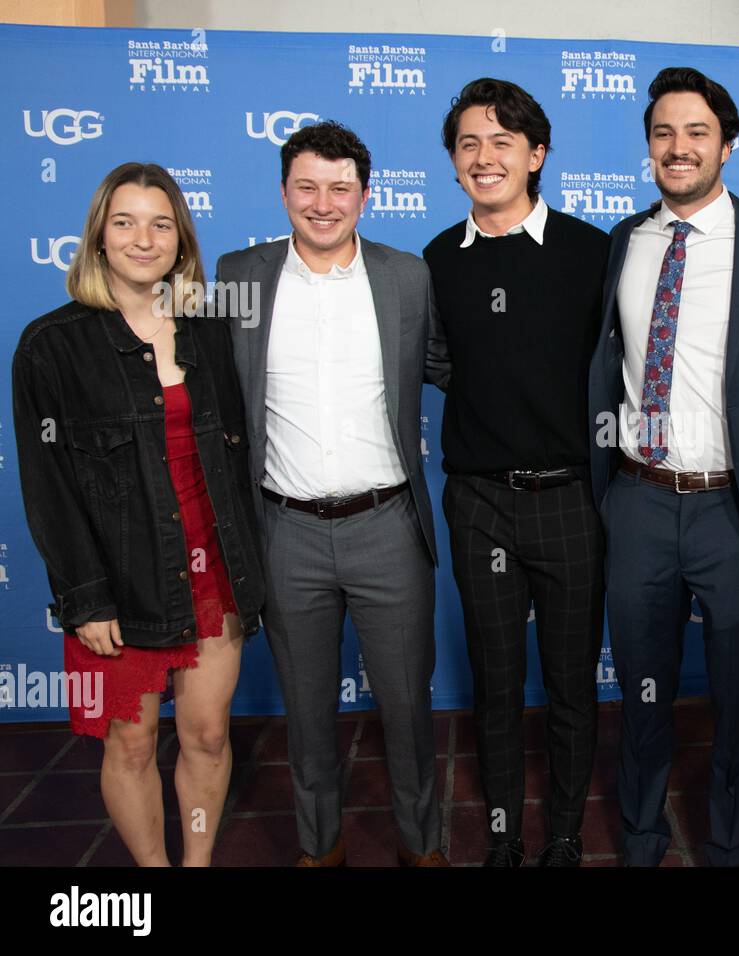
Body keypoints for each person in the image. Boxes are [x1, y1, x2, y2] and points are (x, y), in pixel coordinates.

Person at [588, 66, 739, 867]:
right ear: (648, 146)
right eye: (663, 133)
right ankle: (642, 837)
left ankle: (727, 843)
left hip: (737, 511)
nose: (678, 149)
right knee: (641, 689)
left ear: (729, 144)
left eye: (696, 133)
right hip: (639, 501)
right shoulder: (627, 241)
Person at [13, 162, 265, 866]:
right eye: (124, 222)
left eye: (161, 223)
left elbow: (238, 456)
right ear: (98, 236)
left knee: (208, 734)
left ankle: (195, 863)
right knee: (129, 742)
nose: (142, 238)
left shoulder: (211, 329)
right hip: (117, 584)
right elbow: (48, 484)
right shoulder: (51, 345)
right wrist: (84, 597)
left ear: (181, 241)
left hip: (213, 568)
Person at [215, 120, 448, 867]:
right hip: (283, 532)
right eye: (307, 187)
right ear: (284, 192)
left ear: (365, 196)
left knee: (409, 709)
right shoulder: (238, 275)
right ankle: (321, 849)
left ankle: (425, 846)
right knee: (307, 713)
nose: (323, 203)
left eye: (340, 188)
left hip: (387, 524)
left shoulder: (406, 276)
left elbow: (454, 363)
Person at [423, 78, 609, 867]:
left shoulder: (593, 251)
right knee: (495, 687)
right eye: (469, 143)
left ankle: (563, 837)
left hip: (571, 499)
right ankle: (503, 837)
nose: (484, 156)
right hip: (478, 504)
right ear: (453, 162)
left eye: (503, 141)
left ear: (536, 155)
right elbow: (435, 364)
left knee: (570, 687)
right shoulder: (436, 259)